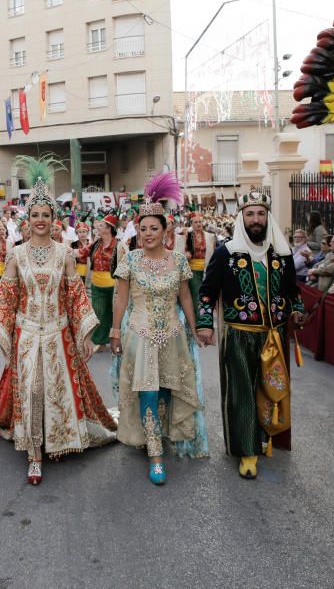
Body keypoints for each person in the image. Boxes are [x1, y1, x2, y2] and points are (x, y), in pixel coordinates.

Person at [0, 155, 116, 485]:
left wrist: (84, 334)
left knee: (55, 388)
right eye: (35, 215)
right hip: (26, 335)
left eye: (45, 215)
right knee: (32, 389)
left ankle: (60, 438)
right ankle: (34, 454)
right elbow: (6, 298)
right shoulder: (16, 255)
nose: (40, 220)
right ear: (27, 220)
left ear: (53, 218)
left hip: (57, 335)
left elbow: (74, 296)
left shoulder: (65, 253)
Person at [196, 191, 305, 479]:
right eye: (250, 214)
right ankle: (247, 450)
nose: (256, 220)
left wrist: (297, 310)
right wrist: (204, 324)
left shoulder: (281, 255)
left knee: (270, 390)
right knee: (241, 394)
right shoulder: (226, 253)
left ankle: (267, 437)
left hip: (275, 336)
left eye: (260, 214)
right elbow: (207, 292)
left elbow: (293, 290)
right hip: (239, 336)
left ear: (267, 217)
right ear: (241, 218)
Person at [110, 172, 208, 485]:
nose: (148, 233)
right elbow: (120, 300)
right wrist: (114, 332)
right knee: (148, 391)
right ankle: (154, 453)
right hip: (140, 335)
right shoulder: (130, 259)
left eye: (154, 228)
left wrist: (195, 329)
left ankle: (162, 434)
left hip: (174, 336)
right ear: (137, 231)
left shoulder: (178, 260)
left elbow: (186, 298)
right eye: (143, 229)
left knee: (168, 388)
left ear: (166, 231)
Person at [86, 214, 125, 351]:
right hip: (97, 283)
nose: (98, 227)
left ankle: (119, 339)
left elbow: (126, 264)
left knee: (116, 313)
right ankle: (100, 341)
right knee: (99, 313)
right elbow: (83, 252)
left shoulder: (120, 245)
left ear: (109, 229)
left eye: (102, 225)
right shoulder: (96, 244)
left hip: (114, 285)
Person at [185, 213, 216, 310]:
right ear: (192, 224)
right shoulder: (188, 236)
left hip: (208, 268)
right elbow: (184, 250)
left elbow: (213, 251)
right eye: (196, 222)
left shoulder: (209, 236)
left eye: (200, 222)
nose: (198, 224)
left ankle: (206, 316)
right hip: (193, 269)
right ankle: (197, 318)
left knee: (207, 293)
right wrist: (187, 254)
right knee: (196, 293)